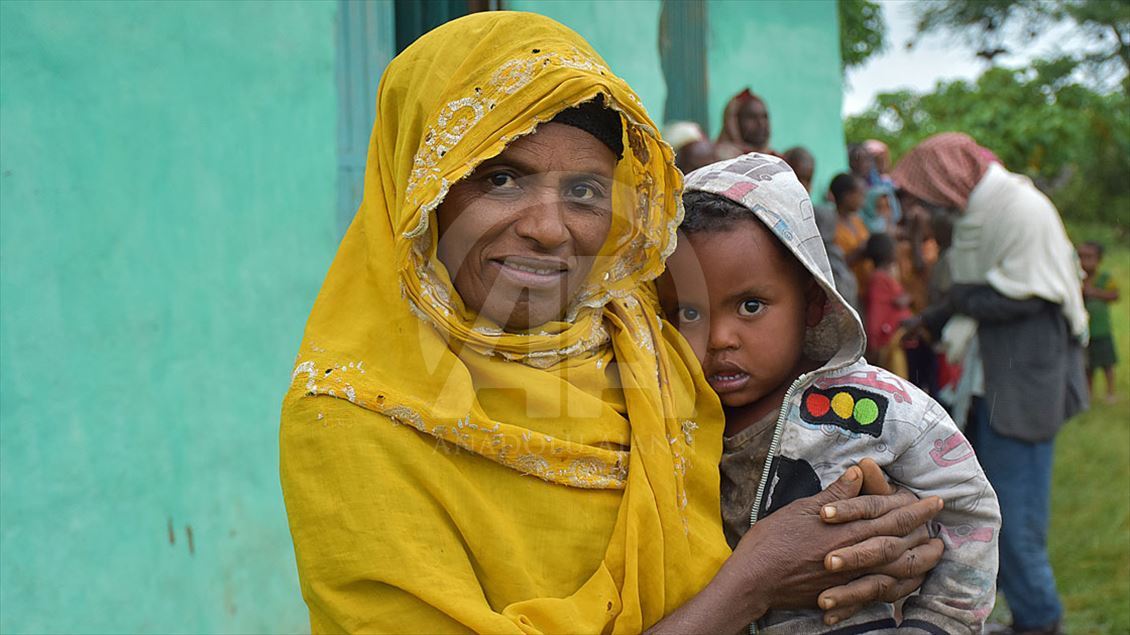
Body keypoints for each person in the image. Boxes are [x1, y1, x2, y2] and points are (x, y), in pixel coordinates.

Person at [280, 13, 944, 633]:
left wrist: (879, 521)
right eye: (502, 179)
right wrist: (755, 581)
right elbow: (758, 566)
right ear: (422, 188)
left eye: (585, 192)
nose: (548, 227)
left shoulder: (645, 334)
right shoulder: (353, 416)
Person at [656, 153, 1000, 634]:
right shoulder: (667, 414)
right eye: (688, 313)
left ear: (814, 302)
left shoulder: (878, 409)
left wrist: (938, 622)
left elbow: (966, 506)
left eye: (751, 306)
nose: (719, 339)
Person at [894, 132, 1088, 635]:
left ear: (946, 181)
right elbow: (986, 289)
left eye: (926, 198)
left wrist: (958, 296)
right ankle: (1011, 608)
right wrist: (937, 316)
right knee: (988, 506)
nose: (926, 212)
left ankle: (1040, 619)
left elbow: (1028, 296)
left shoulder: (1020, 210)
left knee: (1017, 520)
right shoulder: (981, 214)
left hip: (1024, 383)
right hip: (994, 381)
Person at [864, 233, 914, 372]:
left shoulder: (885, 276)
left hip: (898, 340)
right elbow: (876, 313)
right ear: (889, 253)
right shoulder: (878, 279)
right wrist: (873, 343)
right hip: (888, 342)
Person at [1078, 241, 1120, 403]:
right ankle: (1088, 394)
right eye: (1081, 257)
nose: (1084, 261)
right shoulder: (1077, 280)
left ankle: (1111, 392)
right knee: (1088, 366)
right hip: (1085, 332)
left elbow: (1115, 295)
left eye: (1089, 257)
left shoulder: (1105, 278)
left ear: (1099, 259)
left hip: (1102, 330)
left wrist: (1094, 292)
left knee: (1107, 363)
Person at [830, 173, 872, 298]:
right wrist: (860, 251)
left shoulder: (857, 221)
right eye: (859, 195)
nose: (862, 199)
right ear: (846, 196)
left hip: (866, 286)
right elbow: (836, 263)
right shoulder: (832, 226)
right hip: (848, 289)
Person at [715, 88, 772, 159]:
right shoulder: (716, 160)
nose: (761, 124)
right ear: (734, 122)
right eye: (751, 117)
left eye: (764, 117)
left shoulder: (775, 159)